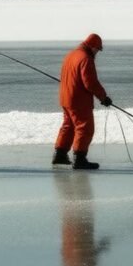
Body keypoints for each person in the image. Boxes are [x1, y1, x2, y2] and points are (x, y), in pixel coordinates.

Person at [53, 33, 112, 170]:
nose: (97, 52)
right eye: (98, 49)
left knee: (68, 125)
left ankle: (60, 155)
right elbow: (90, 83)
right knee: (84, 128)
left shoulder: (71, 55)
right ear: (92, 46)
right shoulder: (86, 58)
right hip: (78, 100)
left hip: (65, 97)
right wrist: (103, 98)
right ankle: (79, 159)